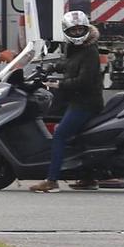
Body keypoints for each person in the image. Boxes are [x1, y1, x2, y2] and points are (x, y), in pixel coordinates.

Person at [29, 10, 104, 193]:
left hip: (86, 103)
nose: (78, 34)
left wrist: (59, 84)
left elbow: (84, 81)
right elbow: (68, 63)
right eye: (74, 31)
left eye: (80, 30)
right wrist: (51, 66)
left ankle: (52, 181)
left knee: (60, 134)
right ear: (66, 32)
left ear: (86, 29)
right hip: (77, 99)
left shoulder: (90, 51)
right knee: (76, 135)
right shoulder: (74, 48)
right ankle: (88, 178)